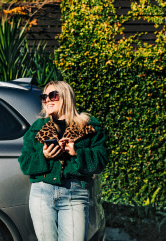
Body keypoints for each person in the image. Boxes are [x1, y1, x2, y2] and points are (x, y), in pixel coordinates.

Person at [18, 81, 109, 241]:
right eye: (44, 97)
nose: (47, 100)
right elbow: (25, 164)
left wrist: (76, 152)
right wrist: (44, 156)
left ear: (66, 97)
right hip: (41, 193)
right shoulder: (37, 128)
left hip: (75, 194)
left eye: (53, 95)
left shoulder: (89, 127)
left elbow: (101, 161)